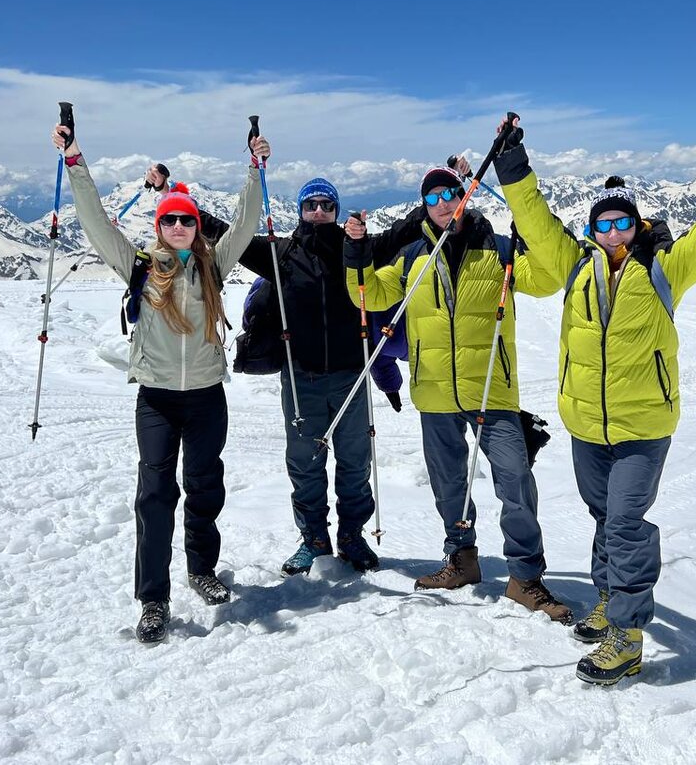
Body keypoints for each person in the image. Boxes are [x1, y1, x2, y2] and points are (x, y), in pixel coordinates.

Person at [491, 119, 696, 683]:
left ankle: (626, 635)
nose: (614, 232)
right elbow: (533, 217)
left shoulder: (663, 270)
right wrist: (511, 163)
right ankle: (608, 598)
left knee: (626, 522)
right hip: (585, 424)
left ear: (637, 223)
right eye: (604, 223)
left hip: (643, 427)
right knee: (604, 516)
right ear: (591, 229)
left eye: (623, 221)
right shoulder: (572, 265)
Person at [51, 120, 264, 644]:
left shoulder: (215, 267)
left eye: (184, 221)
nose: (176, 227)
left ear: (195, 227)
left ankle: (202, 569)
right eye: (168, 221)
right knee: (153, 494)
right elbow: (97, 224)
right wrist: (75, 161)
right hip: (158, 400)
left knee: (204, 486)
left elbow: (245, 220)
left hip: (207, 397)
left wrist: (256, 168)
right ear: (160, 225)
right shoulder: (141, 268)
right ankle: (153, 598)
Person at [344, 166, 574, 624]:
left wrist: (533, 226)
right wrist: (355, 249)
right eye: (434, 198)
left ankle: (525, 576)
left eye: (452, 193)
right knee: (449, 483)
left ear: (465, 196)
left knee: (514, 480)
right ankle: (462, 560)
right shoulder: (412, 256)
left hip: (493, 389)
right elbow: (365, 295)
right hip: (434, 391)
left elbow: (548, 279)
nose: (445, 202)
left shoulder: (500, 249)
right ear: (424, 206)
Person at [204, 178, 425, 575]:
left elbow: (405, 231)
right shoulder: (280, 253)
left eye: (327, 204)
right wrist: (174, 198)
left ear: (337, 210)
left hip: (351, 377)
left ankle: (351, 537)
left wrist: (442, 193)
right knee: (305, 462)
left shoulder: (358, 249)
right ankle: (313, 539)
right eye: (312, 205)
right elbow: (227, 234)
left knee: (355, 462)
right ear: (302, 210)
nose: (319, 211)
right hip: (300, 376)